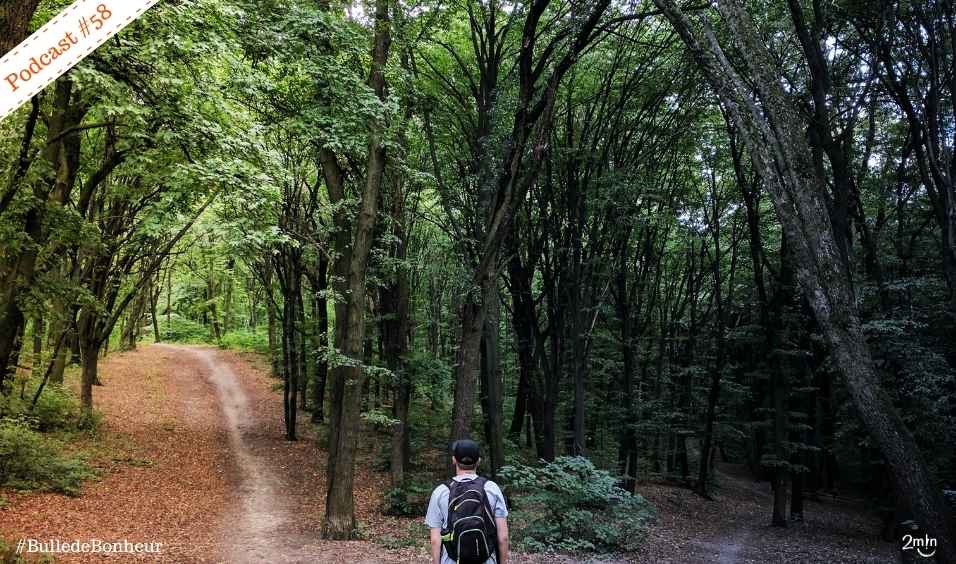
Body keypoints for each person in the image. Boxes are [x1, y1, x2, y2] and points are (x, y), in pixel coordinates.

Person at [425, 439, 509, 564]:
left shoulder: (441, 491)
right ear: (479, 461)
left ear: (454, 460)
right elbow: (503, 537)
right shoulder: (492, 488)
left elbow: (435, 541)